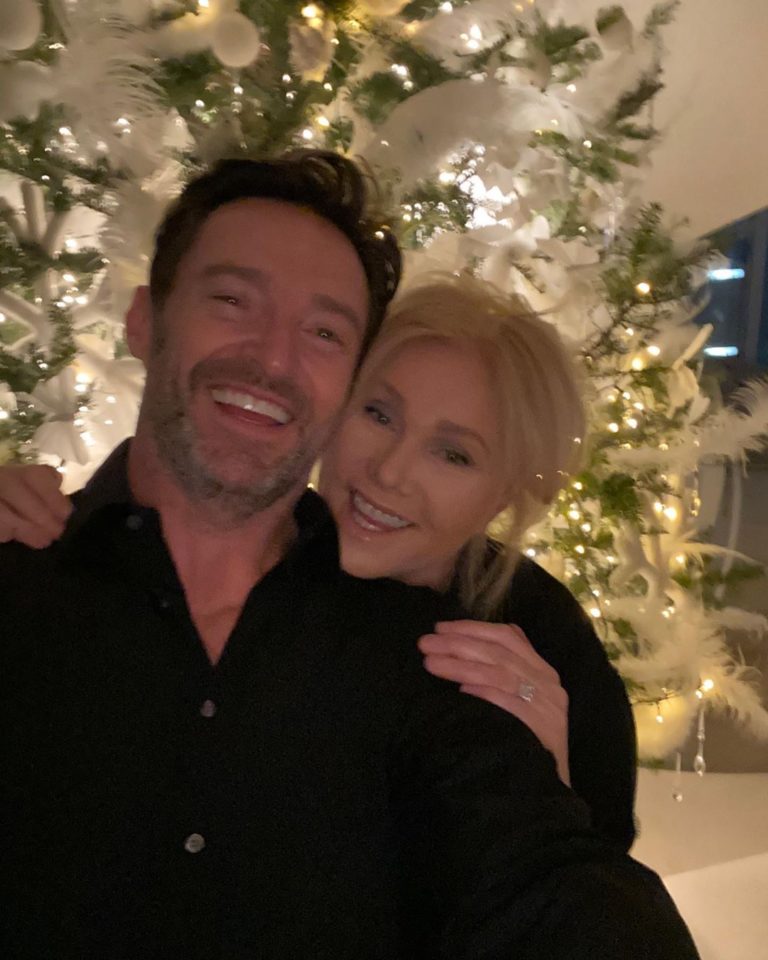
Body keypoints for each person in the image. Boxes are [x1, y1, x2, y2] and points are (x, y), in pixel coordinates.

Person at [0, 150, 698, 959]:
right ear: (144, 322)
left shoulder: (470, 654)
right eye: (232, 299)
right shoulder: (28, 565)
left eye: (324, 332)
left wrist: (556, 791)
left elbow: (555, 884)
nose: (272, 358)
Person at [0, 276, 637, 848]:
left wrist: (551, 792)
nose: (389, 472)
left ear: (507, 494)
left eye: (454, 455)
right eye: (379, 414)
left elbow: (593, 888)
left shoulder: (547, 640)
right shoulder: (255, 553)